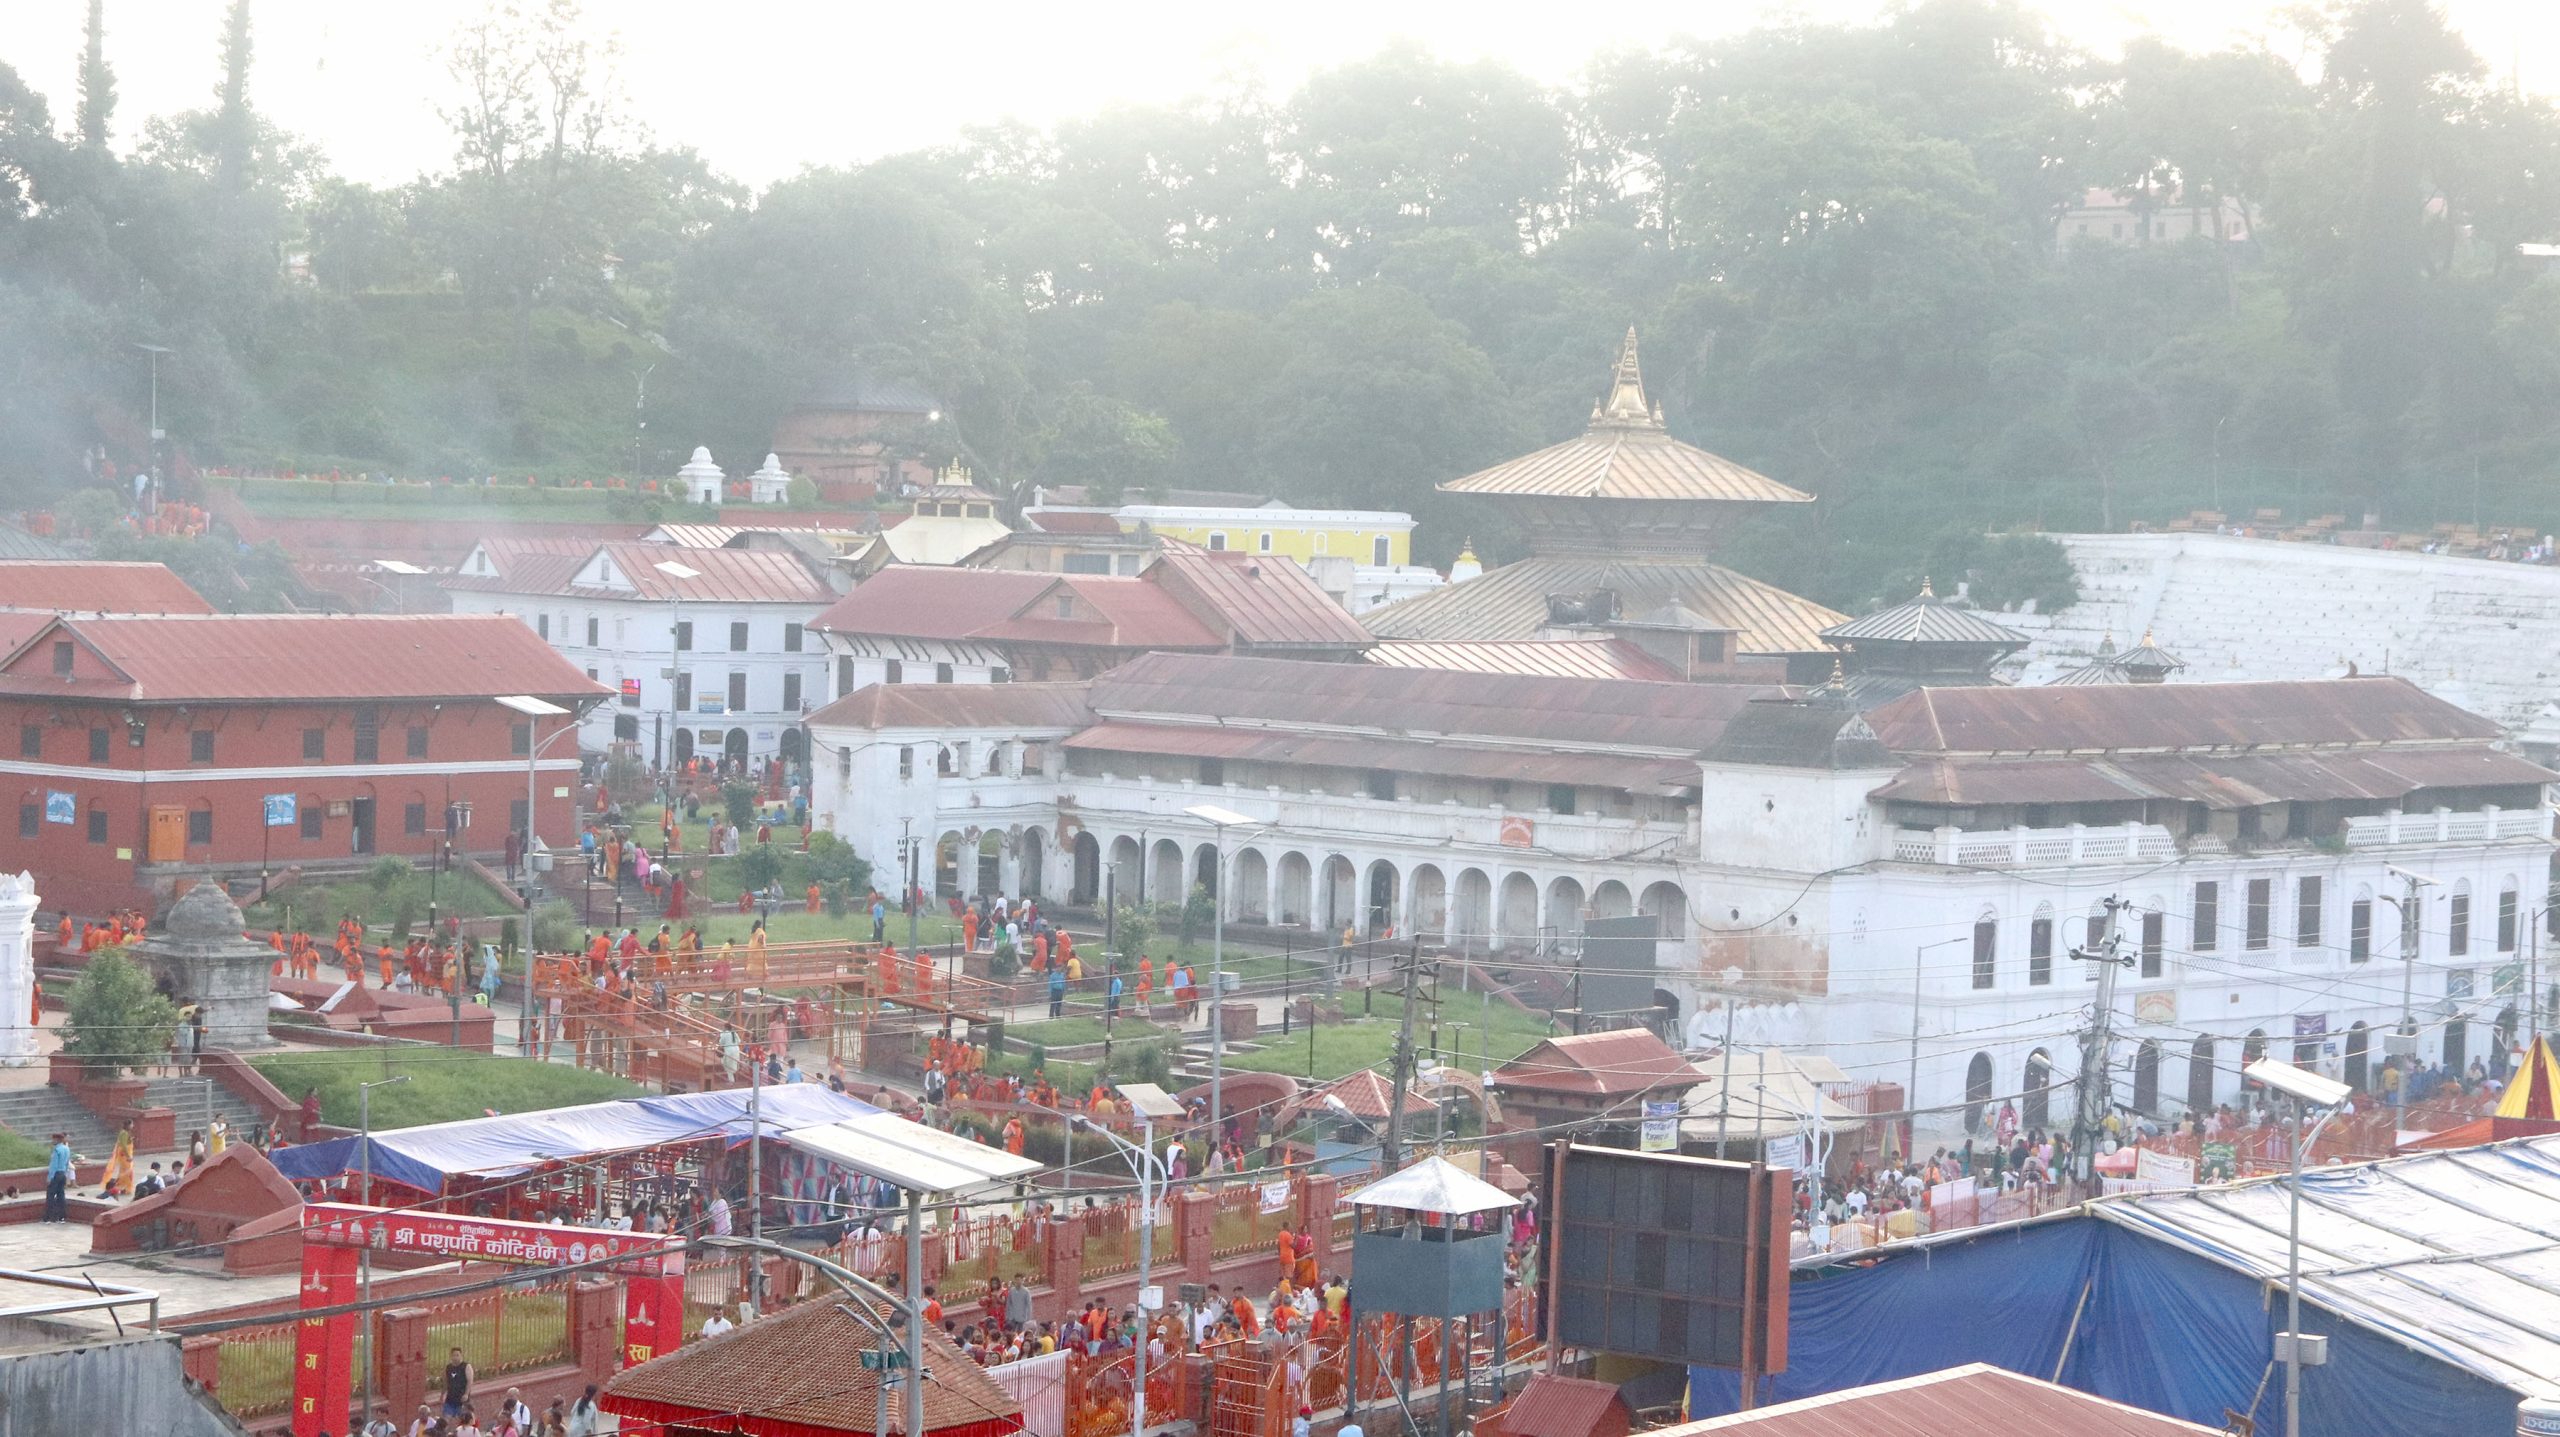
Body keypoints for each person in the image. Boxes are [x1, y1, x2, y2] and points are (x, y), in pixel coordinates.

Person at [43, 1133, 71, 1221]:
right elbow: (67, 1163)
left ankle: (49, 1217)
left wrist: (49, 1177)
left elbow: (53, 1166)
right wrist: (66, 1174)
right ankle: (62, 1217)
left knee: (50, 1196)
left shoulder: (56, 1150)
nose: (52, 1141)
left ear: (57, 1140)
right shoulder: (66, 1149)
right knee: (61, 1195)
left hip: (56, 1174)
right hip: (63, 1173)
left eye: (53, 1139)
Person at [442, 1346, 474, 1420]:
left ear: (461, 1356)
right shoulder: (448, 1368)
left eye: (457, 1355)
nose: (455, 1357)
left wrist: (466, 1394)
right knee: (445, 1419)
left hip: (461, 1399)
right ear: (451, 1356)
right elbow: (445, 1382)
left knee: (462, 1420)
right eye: (453, 1355)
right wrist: (442, 1395)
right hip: (450, 1399)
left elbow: (470, 1381)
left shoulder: (466, 1366)